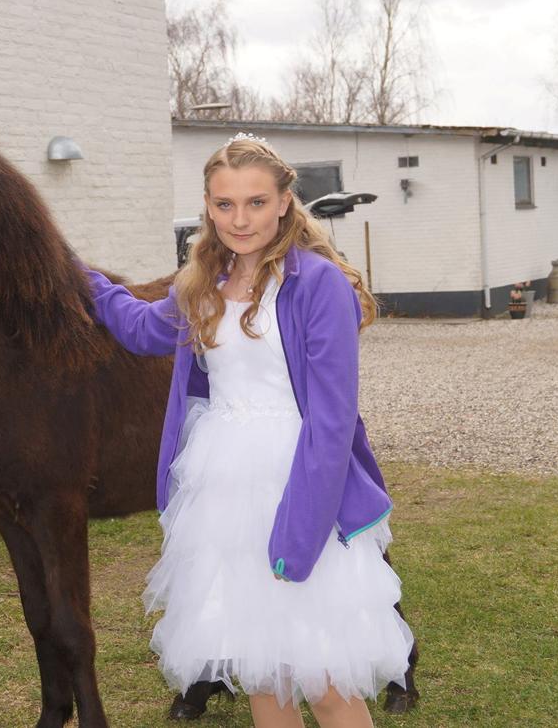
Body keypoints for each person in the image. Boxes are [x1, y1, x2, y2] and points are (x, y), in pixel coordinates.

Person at [84, 133, 414, 728]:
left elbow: (333, 421)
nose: (240, 219)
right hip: (222, 492)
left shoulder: (318, 285)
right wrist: (81, 278)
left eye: (256, 202)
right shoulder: (201, 285)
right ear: (207, 207)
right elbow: (139, 328)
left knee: (325, 678)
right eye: (225, 204)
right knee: (264, 673)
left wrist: (301, 533)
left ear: (286, 201)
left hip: (299, 484)